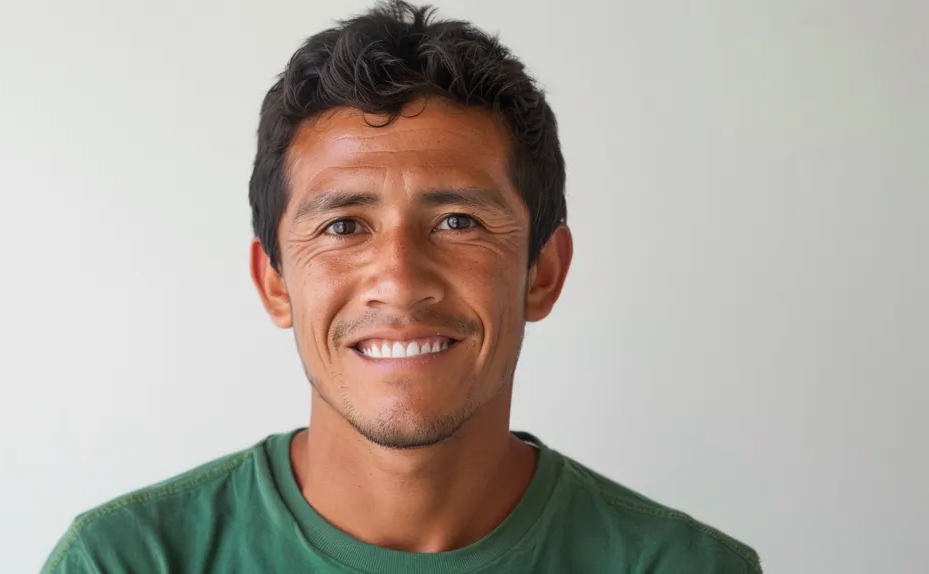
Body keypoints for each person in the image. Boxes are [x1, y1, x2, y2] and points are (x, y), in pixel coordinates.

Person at [41, 2, 761, 572]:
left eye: (457, 222)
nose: (399, 280)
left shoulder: (684, 567)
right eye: (343, 226)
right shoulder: (125, 561)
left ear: (543, 271)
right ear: (275, 283)